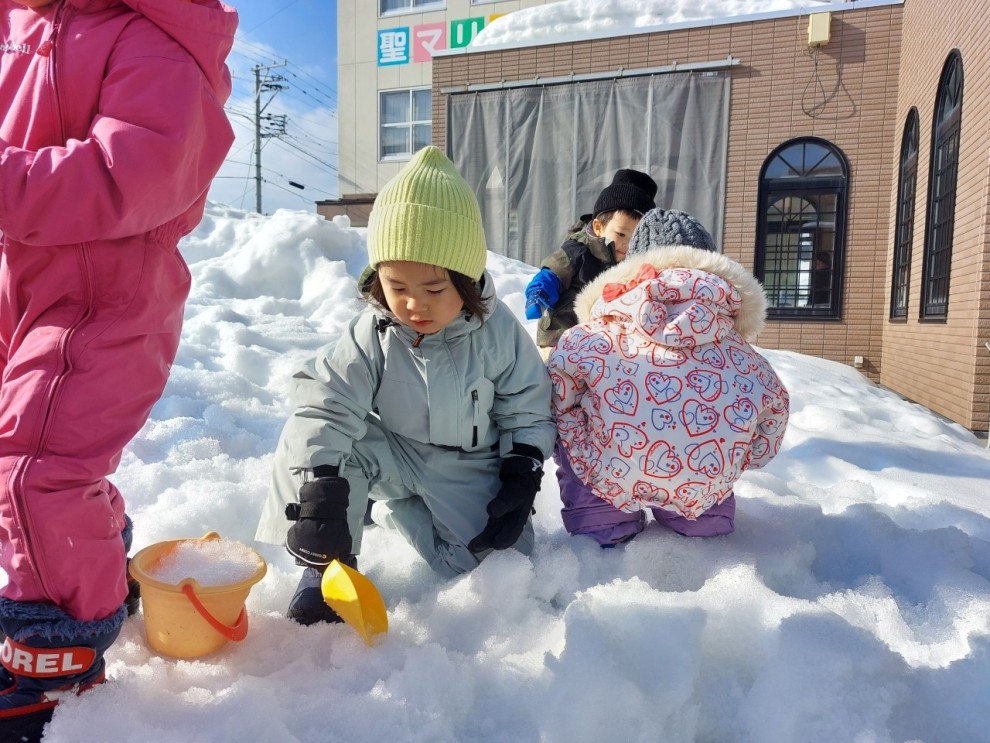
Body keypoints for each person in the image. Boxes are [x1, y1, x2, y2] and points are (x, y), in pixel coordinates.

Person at [0, 0, 236, 736]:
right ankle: (91, 557)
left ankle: (58, 656)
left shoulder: (152, 37)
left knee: (35, 469)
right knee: (37, 468)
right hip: (21, 284)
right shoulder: (16, 27)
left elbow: (129, 172)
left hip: (106, 299)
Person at [255, 146, 556, 626]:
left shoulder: (497, 333)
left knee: (493, 560)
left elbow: (528, 407)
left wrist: (523, 468)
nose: (415, 305)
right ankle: (325, 570)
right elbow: (325, 405)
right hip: (390, 452)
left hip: (466, 463)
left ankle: (395, 510)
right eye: (397, 288)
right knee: (324, 450)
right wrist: (319, 496)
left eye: (434, 290)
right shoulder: (373, 331)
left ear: (465, 281)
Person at [546, 208, 789, 546]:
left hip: (607, 470)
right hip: (703, 478)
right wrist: (737, 459)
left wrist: (578, 441)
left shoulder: (596, 335)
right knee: (708, 478)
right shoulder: (739, 350)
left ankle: (602, 519)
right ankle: (705, 516)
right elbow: (773, 411)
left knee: (575, 433)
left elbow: (559, 395)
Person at [524, 168, 658, 357]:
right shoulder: (577, 251)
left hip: (600, 343)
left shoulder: (635, 262)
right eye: (621, 234)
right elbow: (552, 273)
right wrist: (539, 294)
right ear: (598, 226)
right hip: (561, 336)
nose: (627, 244)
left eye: (635, 237)